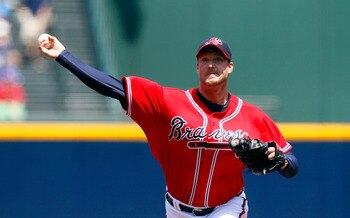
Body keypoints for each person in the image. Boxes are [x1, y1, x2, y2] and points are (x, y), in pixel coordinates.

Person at [38, 34, 298, 218]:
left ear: (229, 67)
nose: (211, 64)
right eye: (205, 58)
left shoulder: (252, 116)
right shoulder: (168, 102)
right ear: (197, 66)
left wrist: (281, 161)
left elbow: (292, 165)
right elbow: (112, 86)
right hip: (176, 209)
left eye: (218, 59)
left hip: (227, 207)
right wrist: (64, 55)